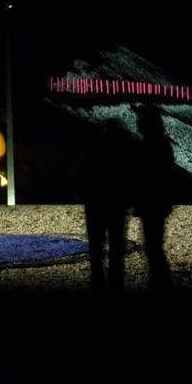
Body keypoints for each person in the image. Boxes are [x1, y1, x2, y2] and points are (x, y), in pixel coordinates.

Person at [78, 118, 138, 293]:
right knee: (116, 249)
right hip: (116, 205)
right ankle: (115, 287)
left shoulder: (94, 149)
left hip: (96, 204)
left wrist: (83, 194)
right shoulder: (125, 152)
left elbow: (83, 174)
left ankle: (99, 287)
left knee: (96, 249)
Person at [133, 104, 175, 290]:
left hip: (152, 202)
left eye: (140, 120)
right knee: (153, 246)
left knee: (153, 247)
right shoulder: (162, 144)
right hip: (157, 202)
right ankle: (161, 284)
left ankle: (162, 286)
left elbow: (147, 177)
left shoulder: (149, 145)